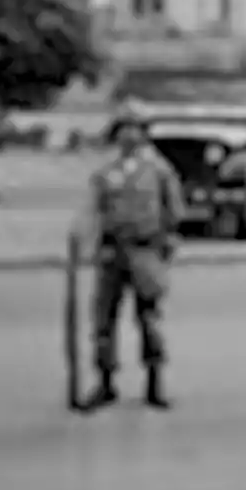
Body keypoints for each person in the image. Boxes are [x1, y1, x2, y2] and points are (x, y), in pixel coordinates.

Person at [71, 113, 184, 411]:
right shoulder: (106, 171)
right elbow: (93, 209)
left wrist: (167, 245)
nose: (129, 137)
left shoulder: (158, 170)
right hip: (112, 252)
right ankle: (106, 382)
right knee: (104, 320)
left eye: (135, 131)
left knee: (149, 319)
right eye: (123, 131)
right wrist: (87, 242)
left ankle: (154, 383)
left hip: (146, 249)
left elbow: (173, 210)